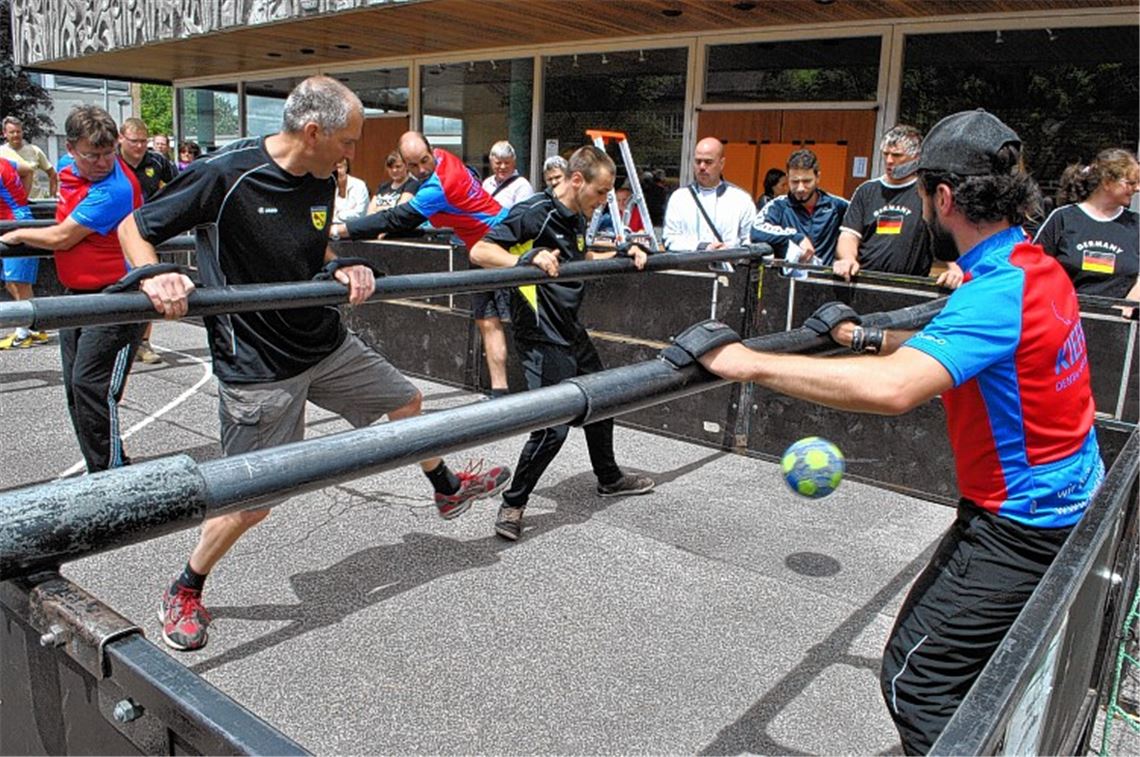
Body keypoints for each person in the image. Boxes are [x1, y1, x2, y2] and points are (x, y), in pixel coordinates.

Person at [682, 110, 1102, 754]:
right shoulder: (1034, 267)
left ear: (943, 198)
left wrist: (745, 362)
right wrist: (864, 336)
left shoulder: (995, 292)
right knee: (983, 675)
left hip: (1020, 523)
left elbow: (895, 389)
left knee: (918, 678)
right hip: (1065, 504)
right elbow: (964, 344)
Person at [116, 77, 512, 652]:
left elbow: (316, 244)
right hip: (258, 363)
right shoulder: (226, 175)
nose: (352, 153)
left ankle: (446, 487)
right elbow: (135, 227)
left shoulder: (324, 177)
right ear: (311, 132)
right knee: (252, 503)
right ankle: (185, 587)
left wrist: (341, 265)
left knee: (406, 402)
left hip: (323, 343)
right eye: (347, 140)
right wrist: (154, 275)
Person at [469, 145, 656, 542]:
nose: (603, 201)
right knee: (552, 427)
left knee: (604, 398)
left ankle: (609, 478)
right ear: (577, 180)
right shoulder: (535, 211)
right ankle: (513, 502)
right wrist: (526, 260)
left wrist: (624, 252)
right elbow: (480, 250)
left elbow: (580, 257)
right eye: (600, 192)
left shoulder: (577, 215)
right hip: (539, 332)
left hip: (569, 327)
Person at [0, 105, 145, 471]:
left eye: (109, 153)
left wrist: (17, 233)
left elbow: (63, 238)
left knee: (92, 386)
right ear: (71, 149)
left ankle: (112, 473)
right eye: (92, 155)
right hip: (78, 294)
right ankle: (100, 469)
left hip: (117, 296)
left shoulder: (116, 187)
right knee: (75, 390)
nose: (102, 162)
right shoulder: (67, 169)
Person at [329, 131, 512, 398]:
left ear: (432, 150)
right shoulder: (445, 158)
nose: (421, 170)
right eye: (413, 165)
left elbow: (396, 218)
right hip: (481, 248)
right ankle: (500, 394)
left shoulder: (440, 185)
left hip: (502, 245)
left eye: (424, 161)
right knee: (487, 321)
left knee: (526, 324)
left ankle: (549, 400)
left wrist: (338, 230)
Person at [834, 125, 963, 288]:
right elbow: (849, 235)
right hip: (864, 281)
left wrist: (955, 269)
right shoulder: (866, 191)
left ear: (916, 157)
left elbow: (945, 234)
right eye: (885, 154)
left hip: (909, 286)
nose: (889, 161)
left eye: (897, 155)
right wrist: (847, 259)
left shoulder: (927, 192)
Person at [1034, 148, 1139, 316]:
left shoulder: (1136, 224)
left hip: (1120, 325)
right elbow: (1033, 267)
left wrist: (1129, 304)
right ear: (1107, 182)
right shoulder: (1063, 218)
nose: (1137, 188)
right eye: (1131, 183)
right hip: (1064, 319)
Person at [118, 117, 179, 364]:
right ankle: (116, 340)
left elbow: (179, 186)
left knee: (148, 285)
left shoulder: (157, 161)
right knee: (118, 288)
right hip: (114, 233)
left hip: (145, 233)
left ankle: (143, 342)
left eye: (144, 141)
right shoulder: (110, 162)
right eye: (134, 141)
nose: (140, 146)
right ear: (121, 138)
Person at [751, 148, 849, 269]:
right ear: (788, 178)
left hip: (825, 278)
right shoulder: (778, 206)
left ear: (818, 177)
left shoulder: (837, 206)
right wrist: (796, 237)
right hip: (788, 278)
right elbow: (756, 230)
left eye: (807, 181)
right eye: (795, 182)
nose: (800, 188)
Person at [662, 137, 755, 252]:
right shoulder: (679, 198)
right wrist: (703, 247)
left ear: (721, 163)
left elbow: (750, 242)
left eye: (708, 162)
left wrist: (730, 253)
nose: (702, 167)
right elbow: (670, 239)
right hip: (689, 263)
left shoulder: (740, 200)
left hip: (727, 263)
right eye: (698, 161)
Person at [0, 157, 51, 349]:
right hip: (16, 220)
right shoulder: (4, 161)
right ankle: (33, 328)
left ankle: (24, 332)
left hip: (14, 224)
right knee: (13, 283)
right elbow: (28, 170)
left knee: (18, 282)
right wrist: (22, 198)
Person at [1, 116, 58, 199]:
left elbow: (52, 174)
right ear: (5, 133)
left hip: (35, 202)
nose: (16, 135)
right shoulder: (1, 153)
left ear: (22, 132)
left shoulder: (34, 150)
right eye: (12, 132)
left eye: (18, 131)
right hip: (11, 203)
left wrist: (52, 197)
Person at [482, 140, 534, 209]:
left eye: (507, 163)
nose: (503, 167)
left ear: (514, 162)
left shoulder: (522, 186)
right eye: (498, 163)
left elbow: (522, 214)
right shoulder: (487, 184)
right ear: (491, 163)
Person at [366, 150, 420, 214]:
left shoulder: (412, 184)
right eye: (390, 167)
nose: (394, 170)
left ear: (406, 166)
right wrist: (388, 208)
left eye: (398, 167)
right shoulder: (383, 187)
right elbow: (369, 212)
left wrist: (378, 209)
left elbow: (399, 210)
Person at [332, 157, 370, 223]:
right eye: (334, 169)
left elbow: (360, 213)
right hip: (333, 226)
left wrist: (339, 215)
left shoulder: (359, 185)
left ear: (346, 168)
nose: (337, 171)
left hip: (356, 226)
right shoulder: (329, 187)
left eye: (340, 167)